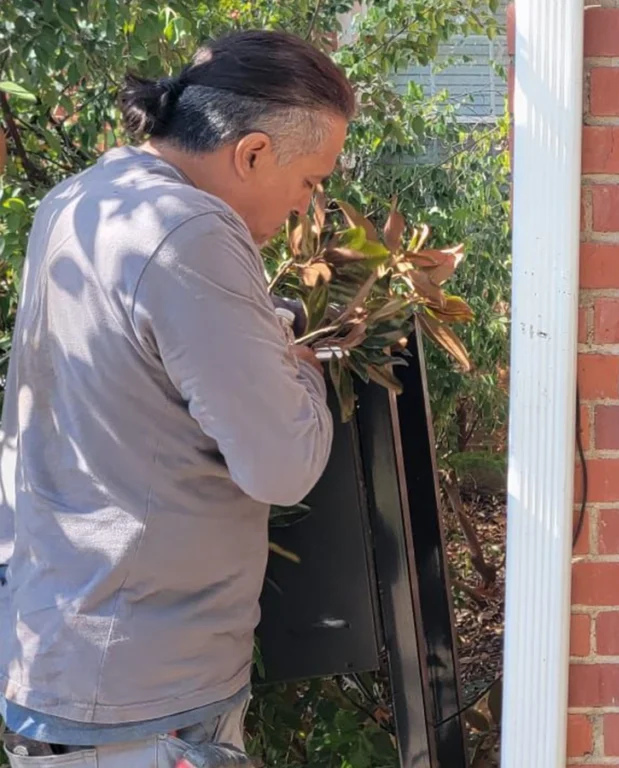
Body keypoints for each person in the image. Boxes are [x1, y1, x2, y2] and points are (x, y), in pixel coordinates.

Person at [0, 28, 355, 767]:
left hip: (66, 649)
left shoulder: (81, 200)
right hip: (144, 694)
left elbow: (151, 360)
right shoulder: (192, 229)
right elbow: (280, 462)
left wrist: (268, 328)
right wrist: (305, 368)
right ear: (253, 153)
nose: (306, 205)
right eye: (311, 180)